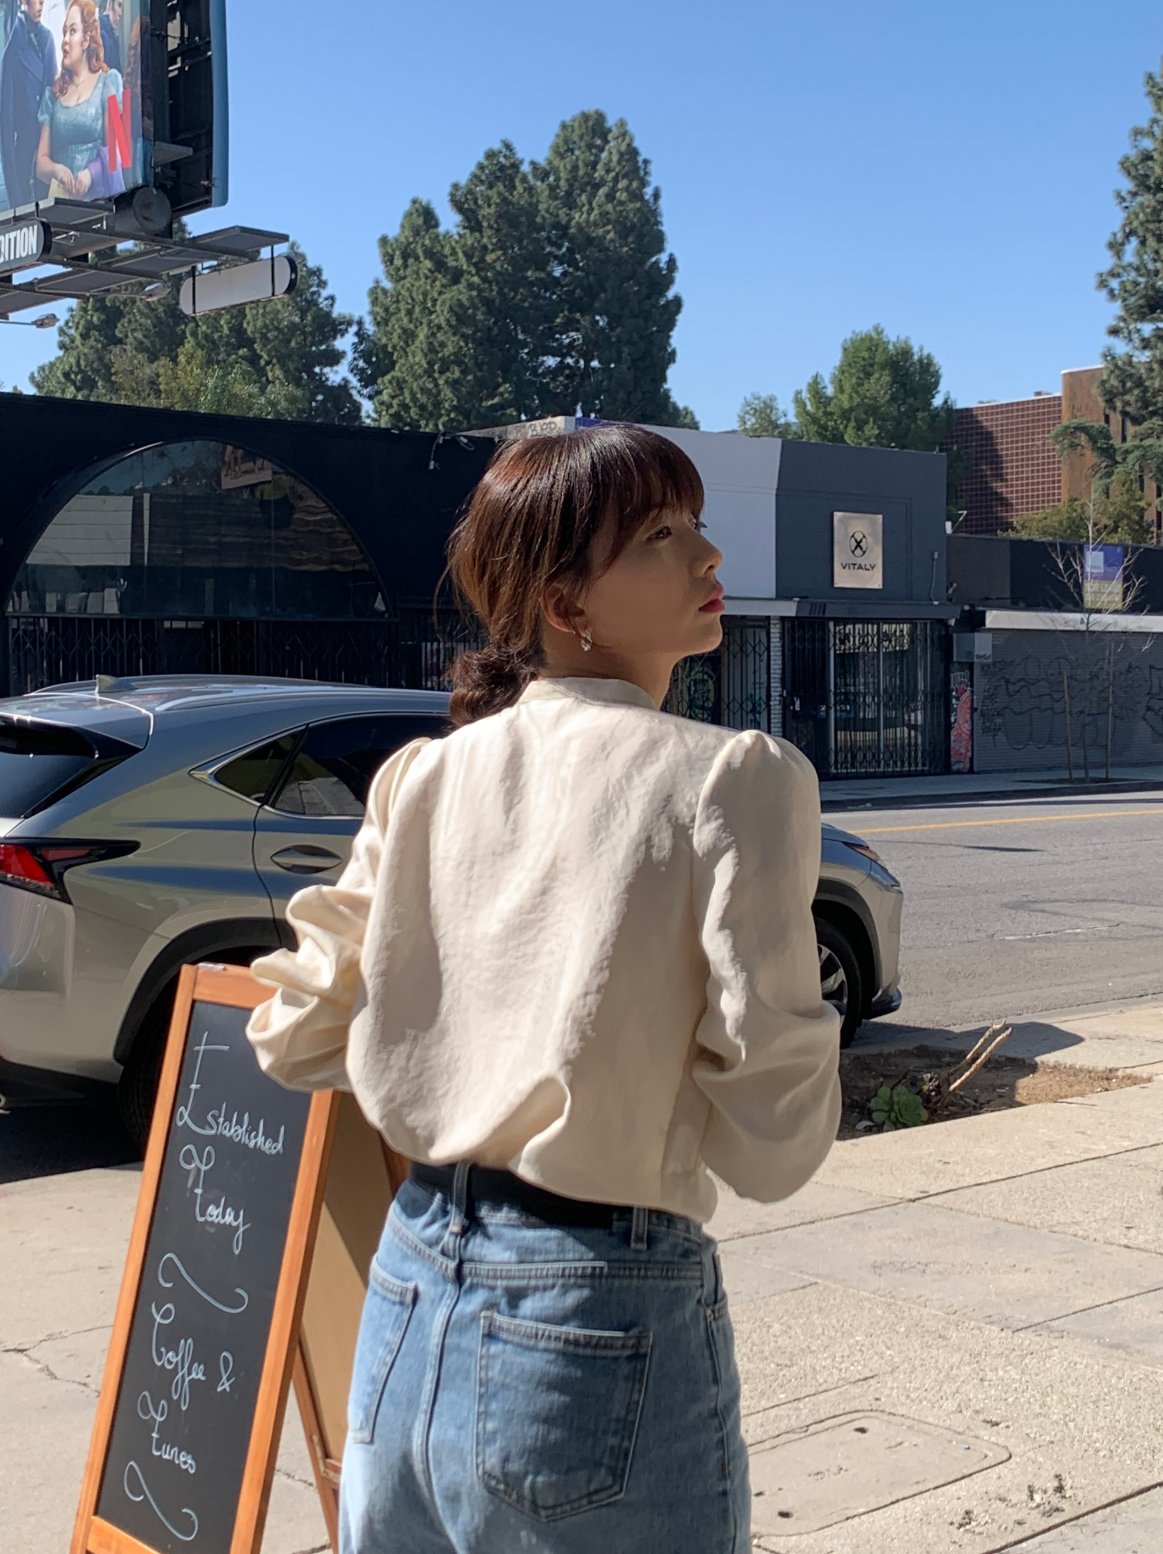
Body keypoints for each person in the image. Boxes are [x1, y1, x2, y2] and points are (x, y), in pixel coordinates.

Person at [247, 426, 842, 1554]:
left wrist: (454, 1047)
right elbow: (777, 1146)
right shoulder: (731, 778)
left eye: (695, 522)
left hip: (408, 1299)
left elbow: (293, 1030)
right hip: (595, 1315)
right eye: (660, 535)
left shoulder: (424, 778)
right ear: (567, 604)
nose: (708, 554)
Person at [35, 0, 124, 200]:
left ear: (86, 39)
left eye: (72, 31)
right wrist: (57, 170)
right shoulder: (52, 96)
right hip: (62, 206)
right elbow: (41, 164)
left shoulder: (109, 82)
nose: (65, 40)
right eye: (64, 32)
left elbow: (117, 152)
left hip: (100, 202)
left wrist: (91, 174)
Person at [0, 0, 56, 208]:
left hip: (52, 163)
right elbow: (5, 135)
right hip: (26, 172)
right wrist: (17, 202)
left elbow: (56, 104)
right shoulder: (11, 56)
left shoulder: (48, 40)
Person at [98, 0, 125, 77]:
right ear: (110, 3)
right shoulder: (103, 37)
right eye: (119, 5)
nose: (120, 13)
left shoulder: (105, 34)